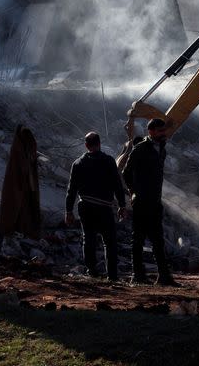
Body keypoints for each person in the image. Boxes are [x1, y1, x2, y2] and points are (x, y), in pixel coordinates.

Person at [122, 118, 178, 286]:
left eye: (164, 130)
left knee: (158, 240)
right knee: (138, 239)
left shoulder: (161, 149)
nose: (164, 134)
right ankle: (137, 275)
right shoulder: (140, 149)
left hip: (155, 201)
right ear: (151, 131)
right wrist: (134, 192)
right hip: (141, 202)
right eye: (160, 131)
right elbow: (126, 173)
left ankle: (163, 276)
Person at [65, 132, 127, 281]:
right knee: (109, 242)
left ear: (86, 145)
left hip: (85, 207)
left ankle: (92, 272)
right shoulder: (109, 161)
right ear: (99, 143)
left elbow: (71, 189)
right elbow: (117, 185)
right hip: (104, 208)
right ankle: (112, 275)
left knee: (89, 239)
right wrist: (122, 205)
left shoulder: (78, 163)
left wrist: (68, 211)